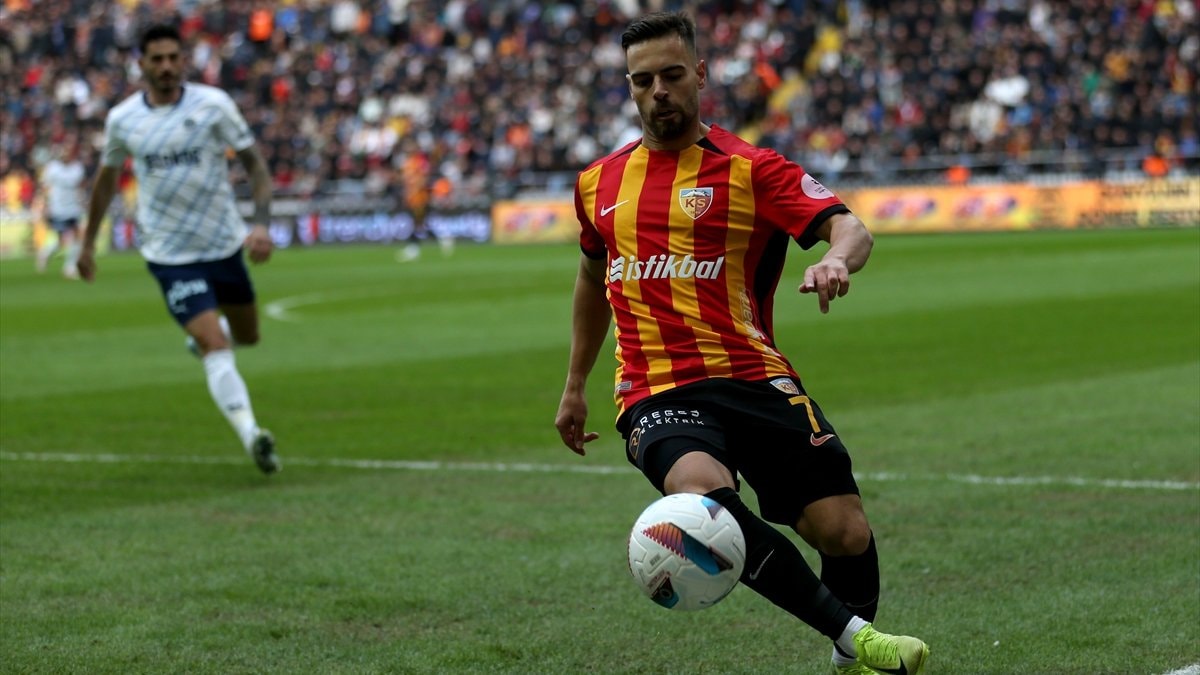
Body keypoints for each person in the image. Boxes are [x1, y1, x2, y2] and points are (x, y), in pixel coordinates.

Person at [553, 12, 928, 675]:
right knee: (704, 500)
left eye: (672, 75)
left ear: (700, 74)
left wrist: (835, 259)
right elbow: (591, 278)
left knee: (844, 531)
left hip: (754, 376)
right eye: (642, 80)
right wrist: (575, 383)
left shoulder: (753, 169)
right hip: (656, 389)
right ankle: (857, 637)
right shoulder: (597, 184)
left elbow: (851, 229)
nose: (658, 91)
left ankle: (848, 656)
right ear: (629, 87)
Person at [77, 23, 281, 475]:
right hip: (169, 254)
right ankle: (252, 434)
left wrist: (262, 225)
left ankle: (204, 338)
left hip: (223, 244)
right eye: (158, 59)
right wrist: (87, 244)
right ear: (142, 64)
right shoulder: (123, 119)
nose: (166, 66)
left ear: (183, 60)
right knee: (215, 343)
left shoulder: (214, 105)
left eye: (173, 57)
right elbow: (106, 182)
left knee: (247, 335)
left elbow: (255, 165)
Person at [36, 144, 87, 279]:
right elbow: (44, 187)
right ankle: (45, 253)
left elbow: (81, 186)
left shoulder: (77, 168)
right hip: (57, 208)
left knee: (77, 235)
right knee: (60, 241)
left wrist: (83, 203)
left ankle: (69, 267)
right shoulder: (53, 168)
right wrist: (44, 206)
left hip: (73, 208)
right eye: (64, 153)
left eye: (68, 153)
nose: (66, 155)